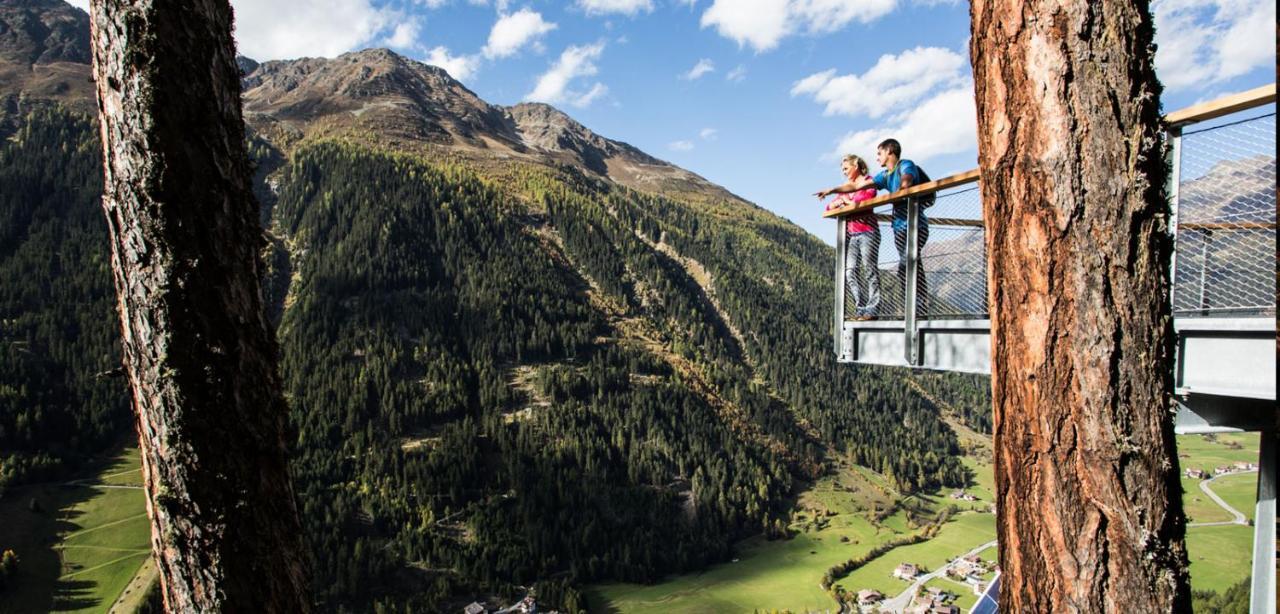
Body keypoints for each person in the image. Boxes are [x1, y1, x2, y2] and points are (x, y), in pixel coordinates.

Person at [821, 138, 931, 315]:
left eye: (879, 153)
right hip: (899, 227)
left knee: (908, 264)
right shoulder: (885, 175)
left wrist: (901, 189)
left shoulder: (905, 165)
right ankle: (913, 307)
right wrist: (833, 191)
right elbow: (858, 186)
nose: (877, 157)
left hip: (915, 224)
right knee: (907, 266)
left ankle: (917, 308)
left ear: (889, 152)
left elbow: (907, 179)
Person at [816, 154, 880, 320]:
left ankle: (872, 310)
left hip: (868, 231)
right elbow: (831, 205)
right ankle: (861, 308)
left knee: (869, 270)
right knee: (850, 271)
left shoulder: (868, 181)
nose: (844, 172)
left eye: (846, 168)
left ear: (856, 165)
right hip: (851, 234)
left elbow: (862, 200)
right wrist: (842, 201)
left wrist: (845, 201)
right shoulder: (847, 186)